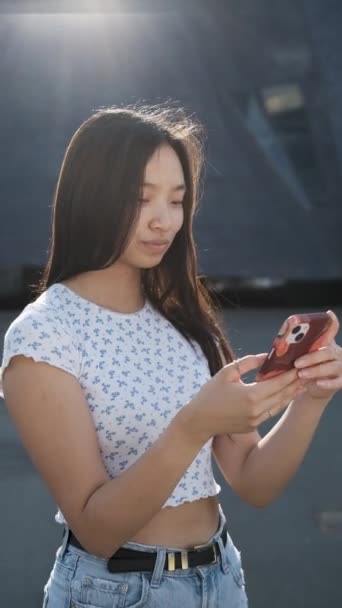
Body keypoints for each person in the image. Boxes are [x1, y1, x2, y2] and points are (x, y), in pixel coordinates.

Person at [1, 104, 341, 608]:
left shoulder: (182, 317)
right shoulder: (45, 334)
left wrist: (309, 398)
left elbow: (254, 479)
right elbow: (96, 529)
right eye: (142, 199)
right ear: (91, 197)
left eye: (177, 200)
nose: (165, 221)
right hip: (115, 591)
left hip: (221, 577)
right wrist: (192, 426)